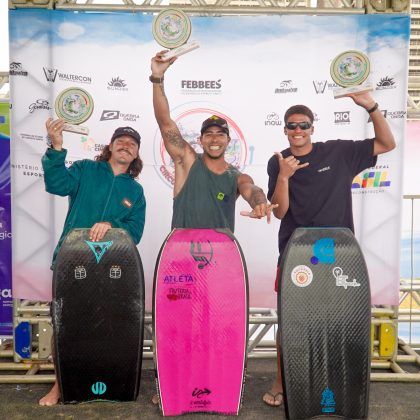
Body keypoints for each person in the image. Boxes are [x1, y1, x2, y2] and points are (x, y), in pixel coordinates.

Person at [150, 51, 276, 405]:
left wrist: (260, 203)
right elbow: (165, 124)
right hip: (180, 265)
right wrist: (157, 79)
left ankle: (217, 386)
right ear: (202, 139)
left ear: (228, 141)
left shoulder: (237, 175)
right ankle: (171, 389)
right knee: (177, 329)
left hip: (219, 269)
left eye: (221, 134)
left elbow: (252, 190)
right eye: (209, 134)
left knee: (215, 330)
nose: (215, 138)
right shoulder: (187, 162)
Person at [263, 92, 396, 407]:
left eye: (303, 125)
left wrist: (371, 106)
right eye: (291, 126)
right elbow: (280, 211)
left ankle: (335, 383)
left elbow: (387, 143)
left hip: (339, 253)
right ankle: (281, 382)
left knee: (338, 320)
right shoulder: (278, 160)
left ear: (312, 127)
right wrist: (284, 177)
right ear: (284, 129)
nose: (298, 131)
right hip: (296, 252)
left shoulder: (339, 152)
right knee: (291, 321)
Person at [39, 119, 146, 406]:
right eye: (121, 141)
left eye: (132, 145)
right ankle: (60, 386)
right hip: (71, 261)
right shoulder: (86, 169)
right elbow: (56, 184)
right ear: (110, 146)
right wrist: (57, 147)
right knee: (64, 325)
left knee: (107, 328)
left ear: (136, 155)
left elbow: (135, 232)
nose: (126, 146)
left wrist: (110, 225)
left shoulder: (135, 192)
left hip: (114, 270)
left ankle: (104, 383)